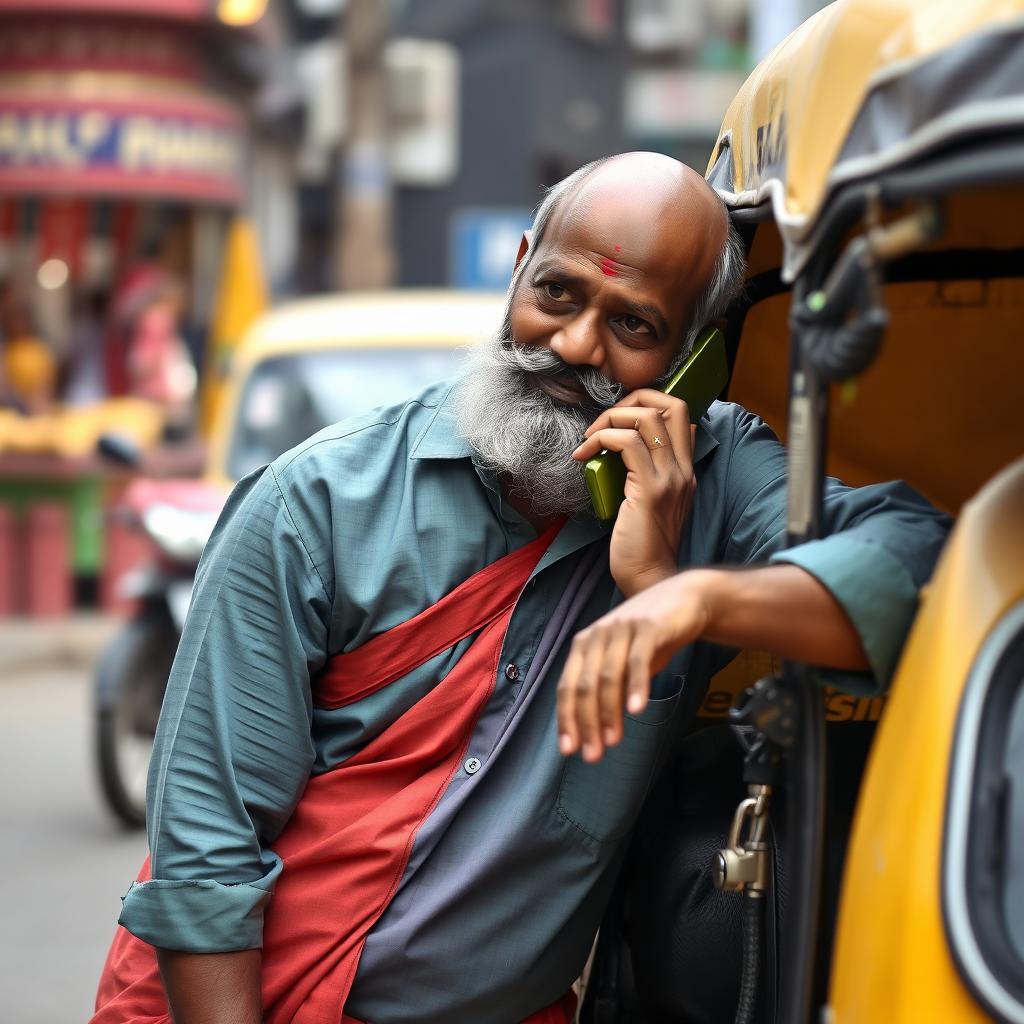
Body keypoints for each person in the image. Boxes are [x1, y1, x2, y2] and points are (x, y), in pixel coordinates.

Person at [91, 153, 949, 1024]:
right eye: (559, 293)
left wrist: (686, 595)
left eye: (636, 325)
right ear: (518, 270)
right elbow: (205, 856)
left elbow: (922, 565)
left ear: (696, 358)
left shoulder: (713, 480)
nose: (575, 345)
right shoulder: (313, 504)